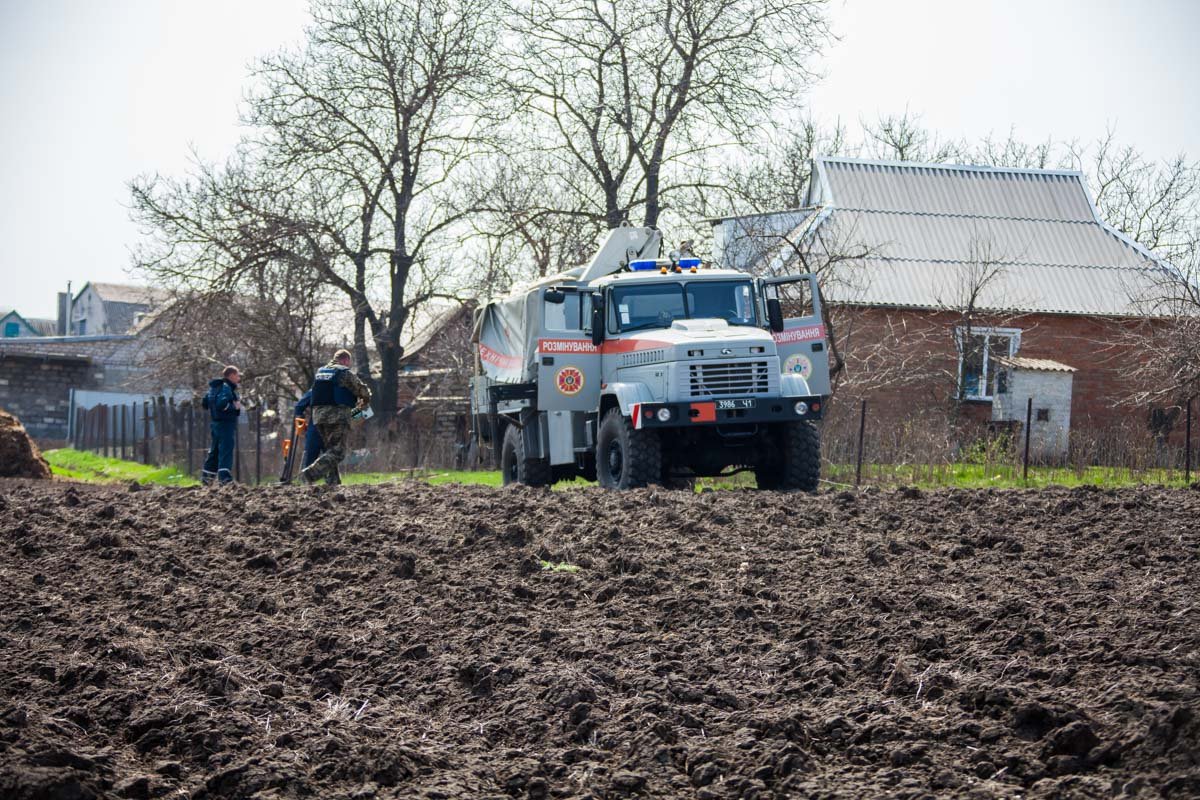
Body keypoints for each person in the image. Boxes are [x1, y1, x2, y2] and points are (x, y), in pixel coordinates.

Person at [300, 349, 372, 485]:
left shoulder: (321, 372)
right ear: (345, 360)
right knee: (338, 452)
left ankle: (333, 482)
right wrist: (363, 404)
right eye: (348, 362)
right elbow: (363, 391)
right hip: (336, 417)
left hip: (318, 417)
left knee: (330, 449)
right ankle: (310, 473)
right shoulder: (343, 372)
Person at [201, 365, 242, 485]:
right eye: (238, 375)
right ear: (232, 375)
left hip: (215, 424)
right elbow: (221, 404)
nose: (239, 378)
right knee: (226, 450)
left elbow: (204, 403)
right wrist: (234, 407)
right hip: (226, 424)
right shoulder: (226, 388)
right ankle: (225, 478)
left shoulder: (214, 388)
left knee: (214, 451)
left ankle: (207, 477)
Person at [292, 389, 324, 470]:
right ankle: (307, 477)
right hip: (323, 428)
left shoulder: (315, 390)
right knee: (330, 455)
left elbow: (299, 406)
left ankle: (306, 477)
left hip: (316, 427)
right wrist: (300, 422)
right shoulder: (316, 390)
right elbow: (299, 407)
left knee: (313, 454)